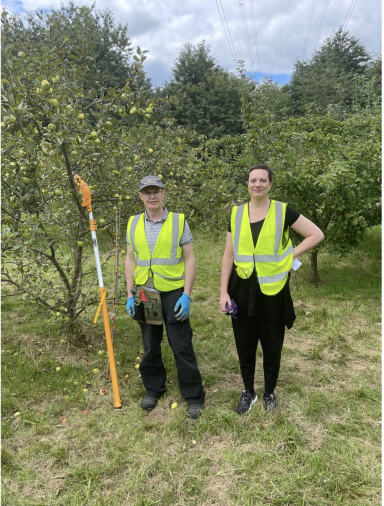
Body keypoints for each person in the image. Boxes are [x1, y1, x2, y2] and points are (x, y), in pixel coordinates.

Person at [220, 164, 324, 414]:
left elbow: (315, 234)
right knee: (244, 343)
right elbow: (228, 256)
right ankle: (248, 391)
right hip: (241, 288)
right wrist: (223, 291)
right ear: (247, 184)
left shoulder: (282, 211)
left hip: (273, 290)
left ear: (270, 184)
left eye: (262, 180)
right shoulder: (235, 214)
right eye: (252, 180)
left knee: (272, 344)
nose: (257, 184)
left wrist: (289, 255)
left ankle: (269, 393)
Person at [125, 175, 205, 419]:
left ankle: (193, 395)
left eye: (156, 191)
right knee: (150, 344)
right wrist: (130, 294)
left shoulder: (179, 221)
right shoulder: (133, 223)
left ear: (163, 194)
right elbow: (130, 260)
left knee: (181, 344)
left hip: (172, 291)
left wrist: (187, 295)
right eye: (147, 192)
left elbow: (189, 258)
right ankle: (153, 388)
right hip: (146, 293)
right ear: (140, 196)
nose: (152, 196)